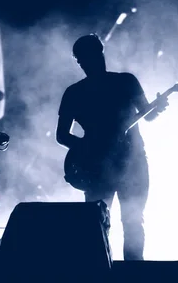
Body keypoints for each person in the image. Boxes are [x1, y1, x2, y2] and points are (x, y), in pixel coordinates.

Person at [56, 33, 168, 261]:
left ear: (100, 53)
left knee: (130, 220)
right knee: (99, 223)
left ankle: (132, 273)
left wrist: (158, 108)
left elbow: (147, 115)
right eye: (82, 60)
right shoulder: (75, 92)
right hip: (100, 167)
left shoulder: (125, 82)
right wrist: (90, 148)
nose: (86, 64)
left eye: (88, 57)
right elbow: (61, 135)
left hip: (132, 163)